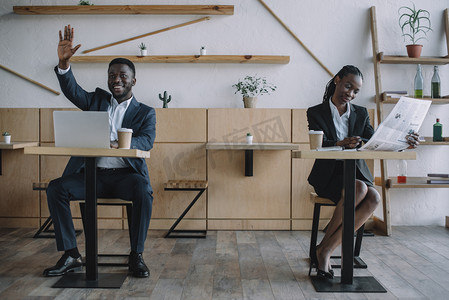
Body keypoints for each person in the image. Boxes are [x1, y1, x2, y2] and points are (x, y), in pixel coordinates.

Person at [43, 25, 156, 278]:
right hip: (91, 175)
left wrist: (120, 144)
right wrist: (63, 65)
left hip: (126, 177)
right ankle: (71, 254)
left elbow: (147, 141)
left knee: (144, 191)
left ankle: (136, 255)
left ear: (133, 81)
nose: (117, 79)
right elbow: (72, 91)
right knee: (56, 188)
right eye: (112, 75)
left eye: (123, 76)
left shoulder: (145, 112)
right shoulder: (95, 100)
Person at [307, 65, 418, 279]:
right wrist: (341, 143)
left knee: (374, 197)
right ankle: (324, 252)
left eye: (356, 91)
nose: (350, 93)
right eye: (348, 86)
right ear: (337, 80)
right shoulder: (316, 112)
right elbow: (318, 144)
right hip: (328, 176)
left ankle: (324, 248)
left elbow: (375, 140)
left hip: (355, 172)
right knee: (358, 187)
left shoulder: (361, 113)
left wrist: (404, 142)